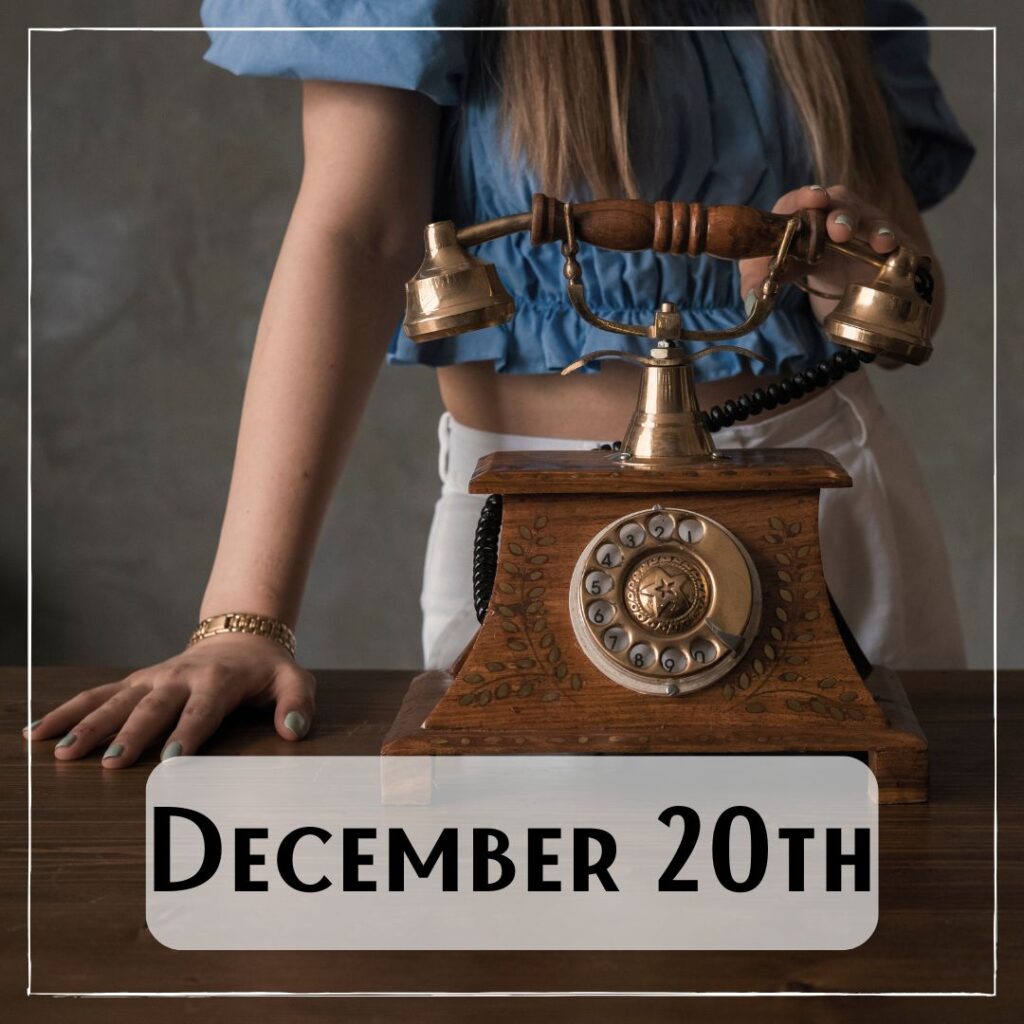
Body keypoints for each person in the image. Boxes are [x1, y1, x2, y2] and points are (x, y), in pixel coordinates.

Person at [27, 0, 974, 766]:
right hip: (528, 524)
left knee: (884, 911)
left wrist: (848, 269)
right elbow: (359, 235)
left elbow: (910, 302)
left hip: (823, 511)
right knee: (525, 916)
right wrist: (242, 623)